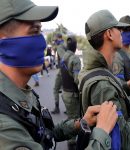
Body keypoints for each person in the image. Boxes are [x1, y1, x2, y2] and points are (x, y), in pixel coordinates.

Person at [0, 1, 119, 150]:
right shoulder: (4, 127)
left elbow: (45, 134)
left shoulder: (21, 94)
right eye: (33, 31)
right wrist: (102, 133)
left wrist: (81, 123)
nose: (42, 43)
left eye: (40, 32)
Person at [79, 9, 130, 150]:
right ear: (110, 34)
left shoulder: (101, 72)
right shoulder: (102, 85)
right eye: (118, 28)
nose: (122, 33)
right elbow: (125, 141)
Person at [60, 35, 81, 149]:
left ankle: (71, 141)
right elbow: (77, 80)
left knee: (70, 117)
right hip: (73, 95)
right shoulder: (75, 59)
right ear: (75, 45)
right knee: (74, 120)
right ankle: (72, 143)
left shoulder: (63, 57)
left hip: (65, 93)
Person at [112, 15, 130, 103]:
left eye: (129, 29)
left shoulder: (129, 53)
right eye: (124, 29)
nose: (128, 32)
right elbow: (116, 86)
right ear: (119, 31)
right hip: (124, 104)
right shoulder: (117, 56)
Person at [51, 33, 66, 114]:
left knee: (56, 89)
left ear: (57, 37)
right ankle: (69, 108)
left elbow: (64, 58)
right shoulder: (64, 44)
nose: (54, 39)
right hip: (67, 71)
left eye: (54, 37)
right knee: (67, 89)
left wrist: (62, 69)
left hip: (63, 71)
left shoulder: (60, 46)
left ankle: (57, 108)